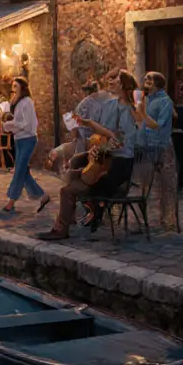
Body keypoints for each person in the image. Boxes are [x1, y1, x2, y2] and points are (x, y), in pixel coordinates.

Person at [37, 70, 138, 240]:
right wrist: (96, 146)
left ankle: (63, 227)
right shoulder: (111, 106)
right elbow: (104, 134)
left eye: (115, 80)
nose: (110, 83)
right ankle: (84, 207)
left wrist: (103, 147)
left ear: (123, 85)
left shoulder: (129, 111)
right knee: (75, 166)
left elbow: (120, 141)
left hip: (119, 164)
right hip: (107, 157)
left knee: (67, 190)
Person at [135, 71, 176, 231]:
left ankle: (169, 221)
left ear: (158, 83)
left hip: (163, 147)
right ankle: (145, 222)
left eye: (150, 79)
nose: (146, 80)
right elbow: (142, 122)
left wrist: (142, 113)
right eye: (145, 78)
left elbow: (158, 125)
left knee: (167, 186)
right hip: (148, 147)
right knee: (145, 186)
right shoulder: (146, 100)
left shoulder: (165, 101)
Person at [1, 77, 49, 213]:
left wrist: (9, 125)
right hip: (18, 139)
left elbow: (27, 124)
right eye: (13, 86)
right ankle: (42, 196)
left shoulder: (27, 102)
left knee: (19, 169)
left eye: (16, 86)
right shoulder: (15, 101)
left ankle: (11, 200)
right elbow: (16, 120)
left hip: (28, 138)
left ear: (22, 87)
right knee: (23, 170)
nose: (13, 88)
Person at [46, 79, 109, 173]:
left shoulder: (82, 105)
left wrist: (74, 137)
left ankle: (61, 160)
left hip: (83, 140)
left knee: (77, 160)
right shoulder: (103, 103)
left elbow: (73, 126)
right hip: (97, 139)